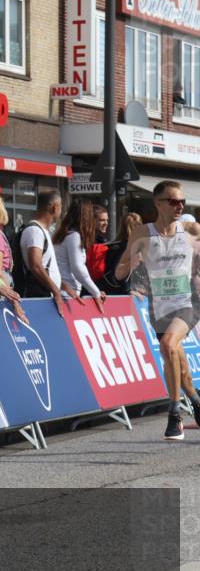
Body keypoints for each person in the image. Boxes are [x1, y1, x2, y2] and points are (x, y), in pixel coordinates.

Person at [116, 180, 200, 440]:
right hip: (159, 306)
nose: (180, 206)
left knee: (168, 344)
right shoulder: (142, 233)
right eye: (173, 201)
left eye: (182, 201)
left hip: (189, 303)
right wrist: (132, 262)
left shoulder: (192, 230)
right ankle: (197, 401)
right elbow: (119, 273)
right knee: (174, 358)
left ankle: (174, 414)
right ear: (158, 203)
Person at [19, 189, 83, 316]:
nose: (61, 211)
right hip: (39, 297)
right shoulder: (35, 231)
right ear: (55, 207)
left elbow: (45, 266)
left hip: (46, 295)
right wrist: (56, 291)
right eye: (61, 207)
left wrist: (63, 285)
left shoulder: (43, 231)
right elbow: (36, 266)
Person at [54, 199, 106, 313]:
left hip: (65, 292)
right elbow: (78, 268)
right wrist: (96, 292)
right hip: (67, 295)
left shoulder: (65, 234)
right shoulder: (74, 236)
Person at [100, 212, 143, 295]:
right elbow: (120, 272)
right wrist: (128, 290)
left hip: (107, 290)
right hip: (120, 293)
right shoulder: (129, 247)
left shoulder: (114, 245)